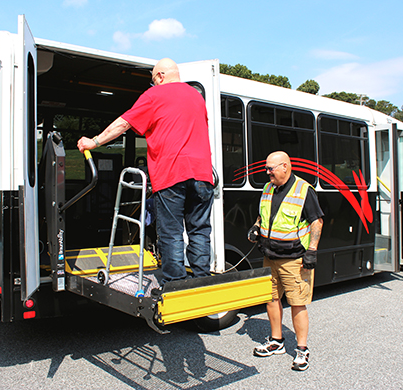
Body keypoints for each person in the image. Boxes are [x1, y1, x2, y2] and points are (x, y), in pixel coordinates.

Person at [77, 58, 214, 284]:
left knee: (171, 233)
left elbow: (123, 123)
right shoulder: (197, 97)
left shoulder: (154, 96)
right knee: (199, 231)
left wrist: (94, 141)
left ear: (160, 76)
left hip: (171, 173)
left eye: (153, 80)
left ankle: (176, 285)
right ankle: (202, 282)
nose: (153, 85)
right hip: (202, 174)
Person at [248, 151, 324, 371]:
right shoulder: (267, 188)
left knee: (297, 303)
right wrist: (255, 227)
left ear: (285, 167)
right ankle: (276, 342)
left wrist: (312, 251)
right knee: (271, 299)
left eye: (271, 168)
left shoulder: (304, 190)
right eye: (267, 168)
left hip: (294, 260)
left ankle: (302, 350)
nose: (267, 172)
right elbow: (264, 215)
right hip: (269, 256)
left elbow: (316, 222)